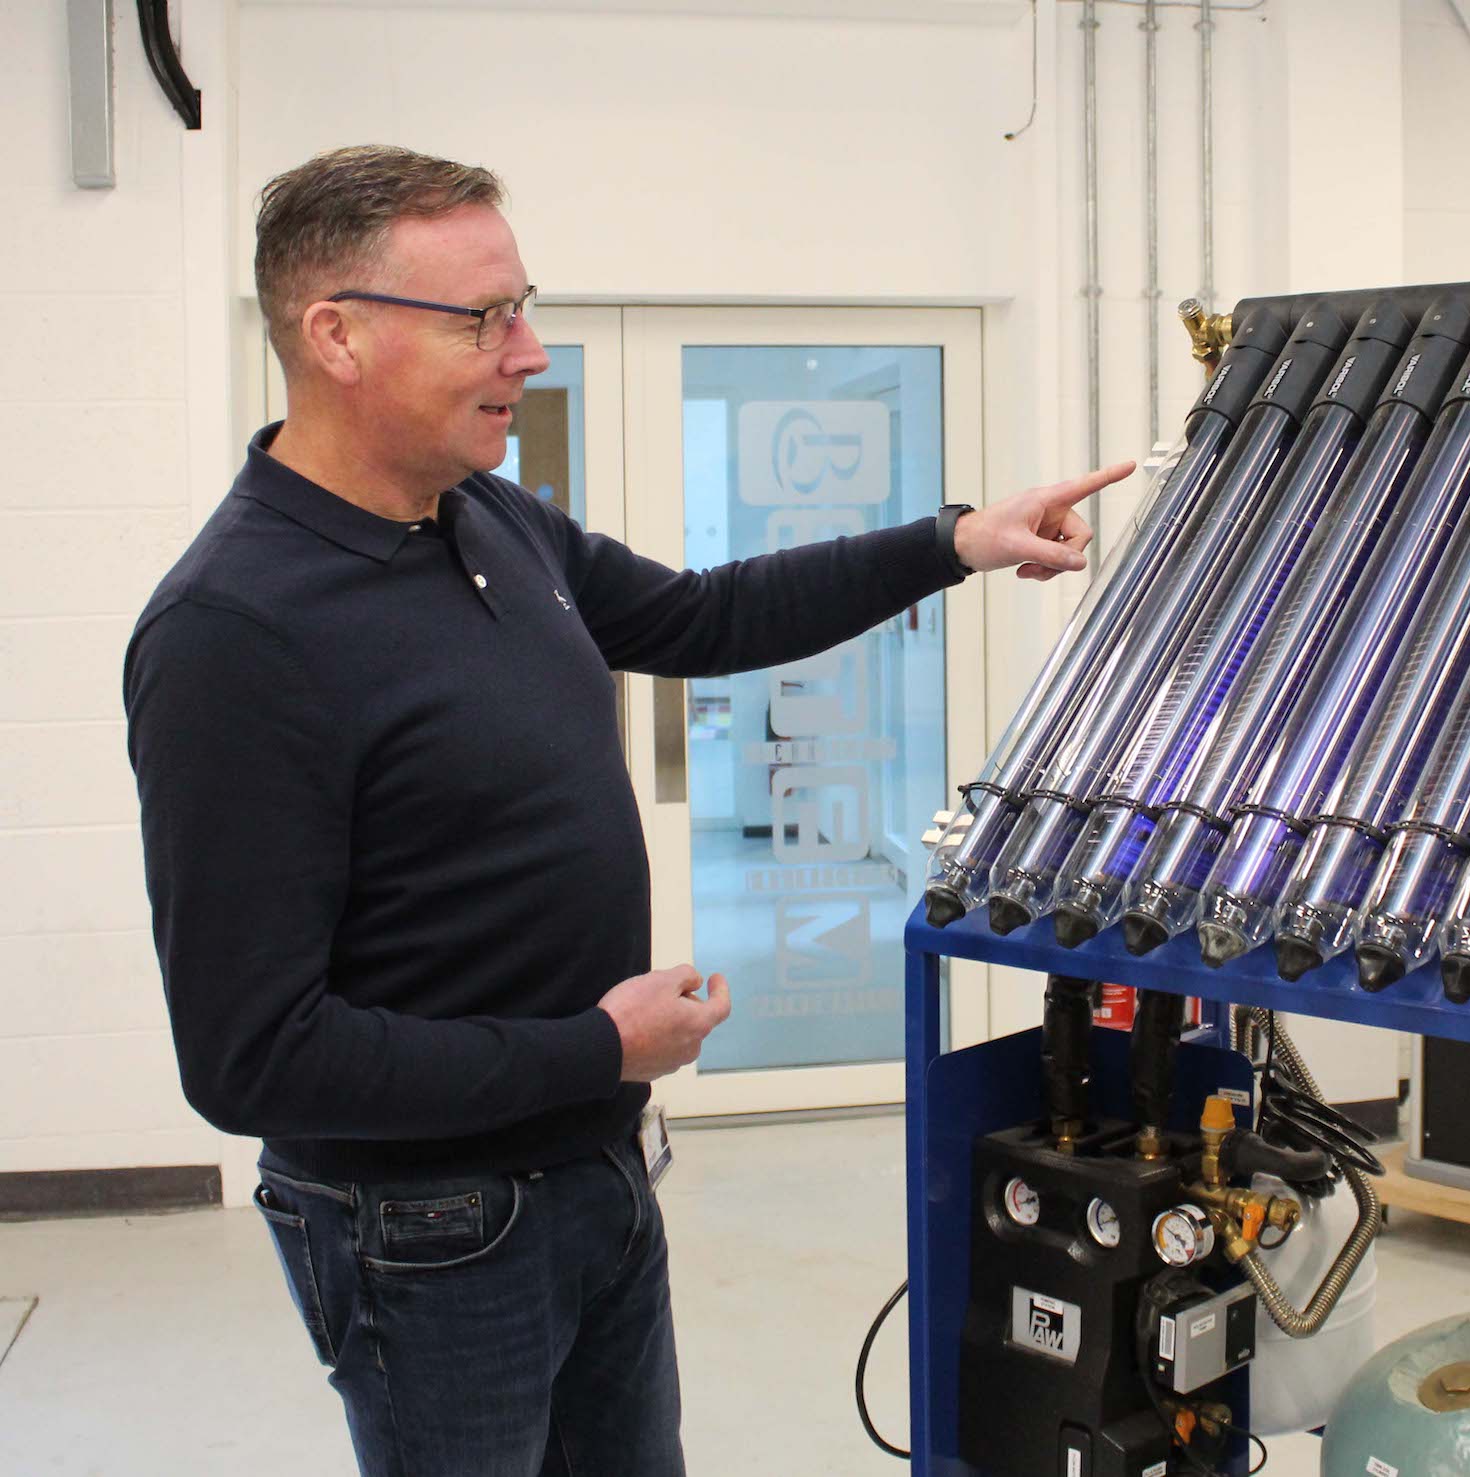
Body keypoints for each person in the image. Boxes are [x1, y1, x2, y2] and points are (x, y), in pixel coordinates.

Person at [124, 144, 1129, 1477]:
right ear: (336, 335)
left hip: (593, 1170)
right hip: (425, 1225)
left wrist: (951, 542)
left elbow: (702, 614)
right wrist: (595, 1049)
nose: (527, 353)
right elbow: (249, 1059)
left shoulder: (486, 519)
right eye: (482, 319)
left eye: (524, 307)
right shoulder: (234, 632)